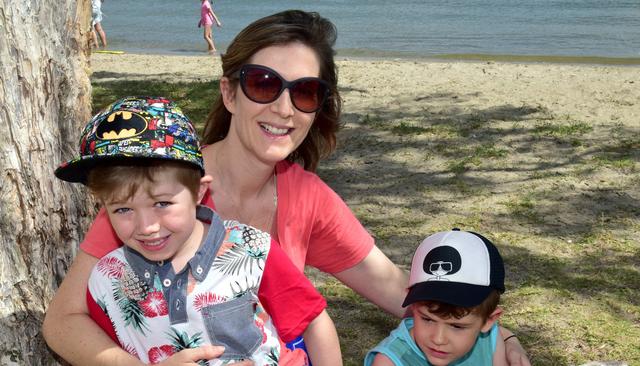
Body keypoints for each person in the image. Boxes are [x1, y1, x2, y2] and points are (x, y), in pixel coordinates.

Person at [42, 10, 530, 365]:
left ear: (318, 107)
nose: (283, 108)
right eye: (262, 83)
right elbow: (63, 321)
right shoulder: (154, 191)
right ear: (229, 92)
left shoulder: (307, 198)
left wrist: (494, 333)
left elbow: (397, 288)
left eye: (304, 92)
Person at [54, 96, 341, 365]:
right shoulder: (106, 281)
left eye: (162, 203)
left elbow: (314, 323)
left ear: (199, 192)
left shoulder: (253, 251)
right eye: (123, 209)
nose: (147, 227)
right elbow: (77, 334)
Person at [365, 230, 508, 366]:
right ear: (413, 305)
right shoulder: (391, 361)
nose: (438, 339)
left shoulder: (491, 340)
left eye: (457, 326)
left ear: (488, 321)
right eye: (427, 319)